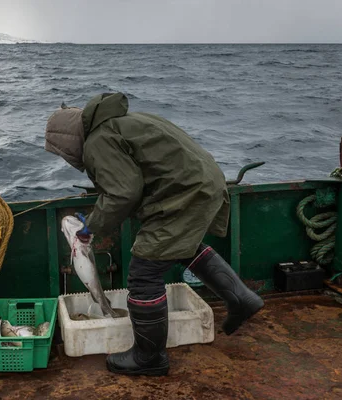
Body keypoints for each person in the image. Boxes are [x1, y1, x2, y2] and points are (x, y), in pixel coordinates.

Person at [44, 92, 264, 376]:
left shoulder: (97, 142)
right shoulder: (123, 122)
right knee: (182, 246)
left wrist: (89, 229)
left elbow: (124, 193)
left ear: (68, 141)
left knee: (144, 272)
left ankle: (150, 357)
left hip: (183, 194)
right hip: (204, 182)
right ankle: (241, 298)